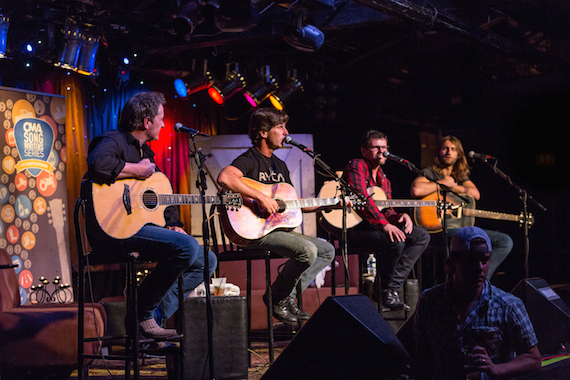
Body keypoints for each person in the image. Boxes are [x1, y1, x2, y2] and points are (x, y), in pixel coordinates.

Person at [83, 91, 217, 339]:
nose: (163, 124)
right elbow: (98, 164)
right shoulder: (113, 140)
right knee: (187, 247)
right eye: (161, 118)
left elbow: (162, 196)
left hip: (138, 230)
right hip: (111, 233)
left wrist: (174, 223)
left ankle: (150, 321)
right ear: (147, 122)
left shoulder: (148, 154)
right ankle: (141, 314)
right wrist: (136, 169)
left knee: (206, 260)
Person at [217, 107, 337, 326]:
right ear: (263, 132)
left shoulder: (280, 165)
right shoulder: (249, 159)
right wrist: (260, 198)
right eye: (280, 127)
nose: (286, 132)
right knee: (307, 250)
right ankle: (276, 297)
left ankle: (286, 296)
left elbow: (293, 203)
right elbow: (225, 177)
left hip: (277, 230)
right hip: (253, 231)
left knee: (326, 250)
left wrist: (328, 204)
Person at [413, 226, 541, 379]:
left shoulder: (508, 305)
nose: (480, 267)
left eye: (485, 260)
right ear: (453, 262)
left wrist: (496, 369)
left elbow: (533, 358)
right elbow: (422, 357)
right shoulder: (430, 301)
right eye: (471, 260)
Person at [343, 129, 430, 310]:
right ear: (364, 150)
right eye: (375, 148)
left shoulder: (384, 178)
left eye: (384, 147)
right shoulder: (357, 165)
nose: (381, 151)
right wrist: (385, 225)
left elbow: (386, 209)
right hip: (356, 229)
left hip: (376, 228)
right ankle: (386, 290)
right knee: (395, 241)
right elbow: (361, 198)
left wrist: (399, 217)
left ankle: (389, 287)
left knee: (421, 236)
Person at [410, 135, 513, 279]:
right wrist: (444, 184)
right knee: (470, 237)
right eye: (445, 148)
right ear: (439, 151)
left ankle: (481, 279)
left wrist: (454, 186)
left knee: (504, 241)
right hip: (436, 232)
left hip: (459, 231)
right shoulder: (430, 172)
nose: (448, 152)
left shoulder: (460, 177)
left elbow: (475, 194)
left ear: (458, 154)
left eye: (453, 149)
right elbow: (417, 190)